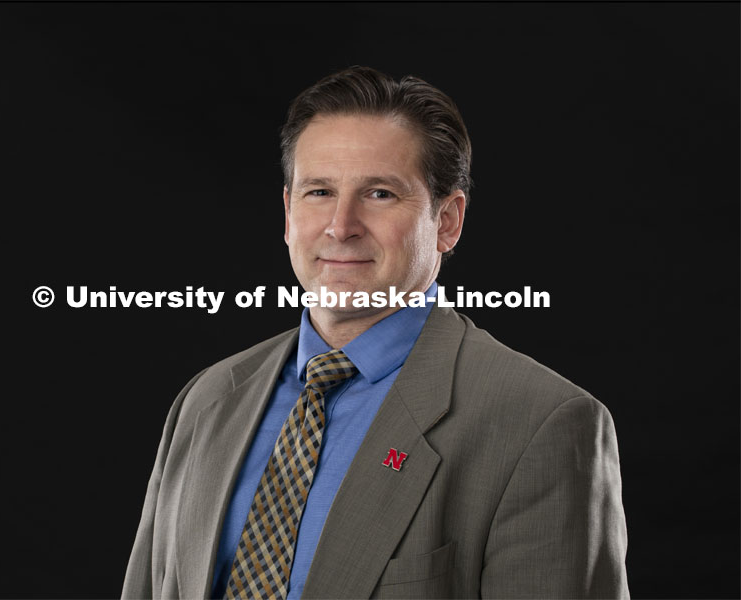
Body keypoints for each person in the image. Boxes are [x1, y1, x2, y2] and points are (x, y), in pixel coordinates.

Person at [121, 66, 629, 600]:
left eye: (381, 193)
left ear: (449, 221)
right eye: (319, 191)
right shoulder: (207, 399)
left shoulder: (539, 423)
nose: (341, 225)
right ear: (288, 213)